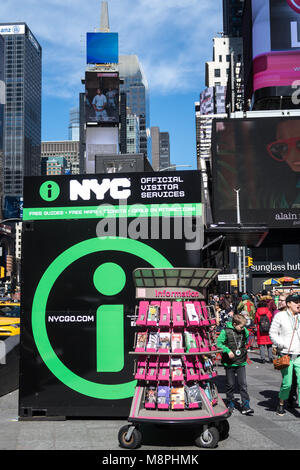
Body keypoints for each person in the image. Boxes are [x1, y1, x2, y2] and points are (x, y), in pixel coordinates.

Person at [269, 293, 300, 416]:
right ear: (288, 304)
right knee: (287, 383)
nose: (298, 304)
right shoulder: (280, 316)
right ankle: (281, 403)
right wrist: (281, 344)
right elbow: (272, 333)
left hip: (299, 354)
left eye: (299, 302)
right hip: (286, 354)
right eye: (295, 302)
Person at [217, 313, 254, 415]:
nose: (243, 329)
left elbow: (249, 337)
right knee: (230, 384)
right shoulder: (225, 331)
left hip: (241, 361)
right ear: (234, 324)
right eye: (241, 327)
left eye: (244, 327)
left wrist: (245, 346)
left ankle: (246, 405)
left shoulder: (243, 331)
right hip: (230, 363)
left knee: (243, 384)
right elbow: (219, 343)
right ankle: (230, 403)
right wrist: (227, 350)